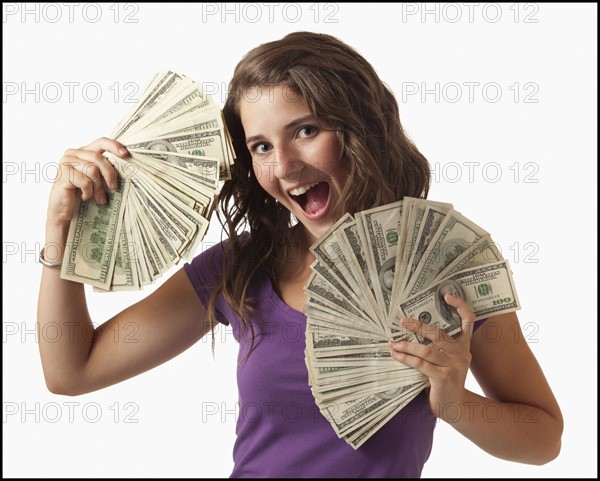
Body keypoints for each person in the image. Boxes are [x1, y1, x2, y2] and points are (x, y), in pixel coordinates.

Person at [37, 31, 563, 477]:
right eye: (261, 146)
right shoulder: (239, 267)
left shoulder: (446, 262)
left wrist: (456, 403)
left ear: (362, 128)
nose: (284, 166)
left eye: (305, 131)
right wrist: (61, 228)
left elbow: (543, 438)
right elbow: (73, 372)